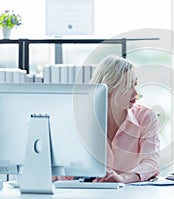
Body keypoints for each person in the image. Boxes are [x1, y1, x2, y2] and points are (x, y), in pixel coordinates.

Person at [53, 55, 160, 183]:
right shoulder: (80, 121)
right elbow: (65, 172)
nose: (135, 92)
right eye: (128, 85)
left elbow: (150, 163)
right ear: (108, 88)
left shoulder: (145, 118)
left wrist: (122, 178)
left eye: (135, 84)